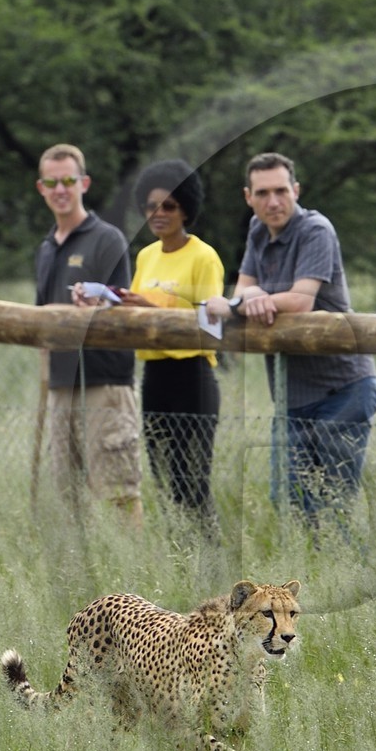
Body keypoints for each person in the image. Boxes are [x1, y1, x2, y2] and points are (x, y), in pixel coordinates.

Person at [206, 152, 376, 525]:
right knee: (289, 498)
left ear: (296, 190)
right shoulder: (257, 229)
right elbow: (246, 290)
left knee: (333, 505)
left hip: (343, 388)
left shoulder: (316, 230)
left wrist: (244, 302)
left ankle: (348, 577)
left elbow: (301, 301)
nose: (273, 202)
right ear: (248, 196)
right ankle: (309, 579)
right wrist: (250, 298)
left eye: (281, 191)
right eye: (263, 192)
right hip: (291, 395)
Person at [32, 142, 142, 524]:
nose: (60, 189)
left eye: (68, 180)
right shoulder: (46, 248)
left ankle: (131, 581)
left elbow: (124, 305)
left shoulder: (107, 238)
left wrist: (96, 307)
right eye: (52, 181)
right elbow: (40, 320)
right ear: (41, 187)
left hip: (104, 383)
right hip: (61, 386)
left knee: (118, 492)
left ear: (84, 183)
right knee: (68, 497)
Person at [116, 159, 224, 531]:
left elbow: (211, 325)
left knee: (192, 477)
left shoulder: (204, 256)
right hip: (154, 373)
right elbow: (138, 311)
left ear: (186, 209)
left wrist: (155, 309)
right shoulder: (146, 255)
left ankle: (207, 556)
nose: (158, 214)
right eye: (151, 206)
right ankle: (176, 550)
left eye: (169, 206)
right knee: (163, 475)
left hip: (192, 373)